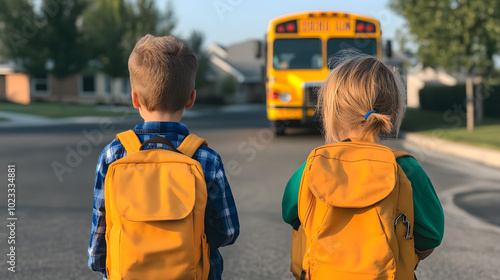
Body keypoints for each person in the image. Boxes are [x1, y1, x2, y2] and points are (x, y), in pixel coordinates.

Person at [88, 35, 239, 280]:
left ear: (134, 98)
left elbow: (100, 227)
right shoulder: (206, 158)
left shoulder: (113, 154)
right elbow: (228, 231)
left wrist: (98, 263)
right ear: (191, 98)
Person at [282, 54, 444, 279]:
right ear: (393, 111)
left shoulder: (310, 167)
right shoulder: (406, 168)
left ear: (330, 113)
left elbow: (291, 213)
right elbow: (432, 234)